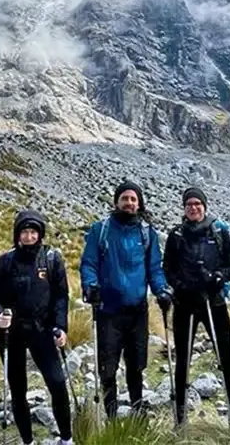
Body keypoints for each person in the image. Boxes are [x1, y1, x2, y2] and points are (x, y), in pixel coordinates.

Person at [79, 179, 173, 418]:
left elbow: (154, 268)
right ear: (116, 202)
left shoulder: (147, 233)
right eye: (124, 199)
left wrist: (162, 291)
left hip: (137, 311)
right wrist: (90, 286)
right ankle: (111, 416)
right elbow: (89, 263)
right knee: (107, 367)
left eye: (133, 199)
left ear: (139, 204)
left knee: (136, 365)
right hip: (108, 311)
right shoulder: (100, 230)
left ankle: (137, 409)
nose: (129, 203)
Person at [0, 209, 74, 445]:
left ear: (40, 234)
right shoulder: (4, 262)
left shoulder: (52, 260)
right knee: (18, 390)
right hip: (11, 333)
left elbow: (61, 297)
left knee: (57, 383)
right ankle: (27, 441)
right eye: (24, 232)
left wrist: (60, 326)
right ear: (17, 234)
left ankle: (66, 438)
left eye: (33, 232)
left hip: (43, 331)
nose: (28, 236)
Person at [162, 186, 230, 425]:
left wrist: (219, 277)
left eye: (197, 204)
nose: (193, 208)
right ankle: (180, 415)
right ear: (184, 208)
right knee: (182, 359)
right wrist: (179, 285)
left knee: (225, 356)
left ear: (204, 206)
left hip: (214, 302)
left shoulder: (219, 231)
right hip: (185, 303)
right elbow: (168, 268)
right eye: (189, 204)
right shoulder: (176, 235)